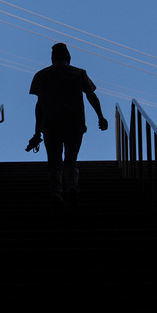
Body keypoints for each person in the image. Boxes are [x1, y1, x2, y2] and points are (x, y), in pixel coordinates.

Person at [28, 43, 107, 208]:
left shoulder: (41, 75)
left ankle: (56, 193)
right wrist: (100, 116)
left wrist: (37, 133)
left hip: (51, 124)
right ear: (68, 58)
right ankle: (71, 186)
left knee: (55, 163)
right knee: (71, 161)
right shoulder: (79, 73)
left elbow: (39, 106)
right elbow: (91, 95)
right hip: (75, 123)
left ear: (52, 58)